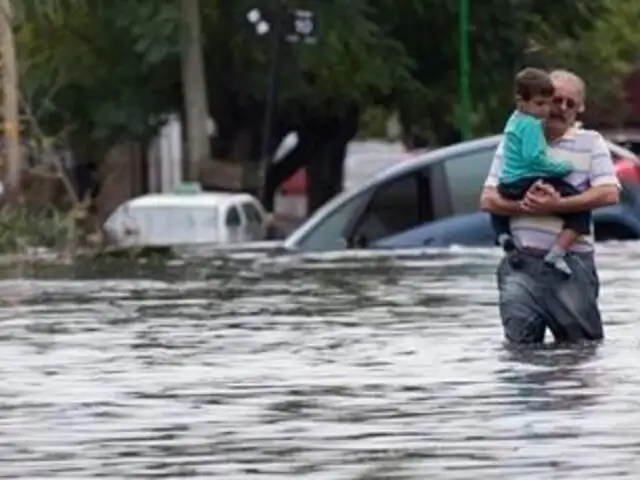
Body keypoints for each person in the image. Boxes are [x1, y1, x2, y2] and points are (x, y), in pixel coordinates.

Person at [479, 69, 620, 345]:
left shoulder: (591, 142)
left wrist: (559, 204)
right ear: (541, 100)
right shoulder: (515, 140)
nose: (562, 108)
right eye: (557, 100)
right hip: (521, 263)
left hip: (571, 266)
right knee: (520, 354)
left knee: (580, 352)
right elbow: (487, 199)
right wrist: (527, 206)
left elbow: (609, 193)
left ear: (580, 109)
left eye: (572, 103)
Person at [492, 68, 590, 277]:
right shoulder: (531, 126)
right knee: (582, 209)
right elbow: (534, 159)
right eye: (544, 103)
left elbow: (609, 194)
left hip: (509, 183)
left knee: (498, 202)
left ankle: (503, 237)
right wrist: (561, 168)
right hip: (526, 180)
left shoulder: (513, 122)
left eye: (570, 103)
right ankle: (556, 253)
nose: (548, 110)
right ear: (521, 101)